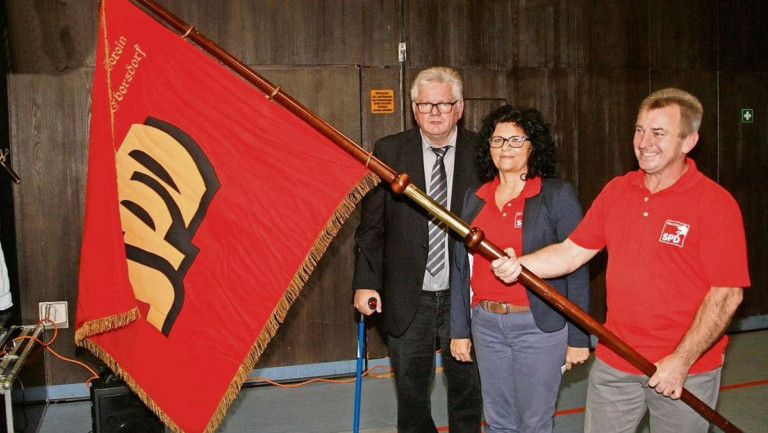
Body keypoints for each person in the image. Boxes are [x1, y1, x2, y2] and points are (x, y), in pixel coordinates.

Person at [491, 88, 750, 433]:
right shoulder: (617, 191)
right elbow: (571, 252)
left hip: (686, 368)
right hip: (616, 360)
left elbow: (727, 293)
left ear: (688, 141)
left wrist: (681, 360)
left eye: (658, 133)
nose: (644, 142)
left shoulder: (716, 204)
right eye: (639, 130)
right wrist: (521, 265)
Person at [352, 66, 483, 433]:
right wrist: (365, 282)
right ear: (414, 109)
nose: (435, 112)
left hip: (465, 295)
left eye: (444, 103)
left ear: (460, 107)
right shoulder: (390, 150)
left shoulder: (483, 151)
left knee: (467, 390)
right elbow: (371, 226)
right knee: (411, 393)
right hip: (409, 294)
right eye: (426, 104)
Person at [449, 106, 590, 433]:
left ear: (533, 146)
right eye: (497, 141)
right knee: (497, 421)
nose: (505, 148)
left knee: (534, 423)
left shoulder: (556, 196)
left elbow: (577, 268)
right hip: (485, 323)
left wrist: (579, 337)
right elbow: (460, 269)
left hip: (538, 326)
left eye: (515, 140)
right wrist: (459, 330)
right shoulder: (475, 198)